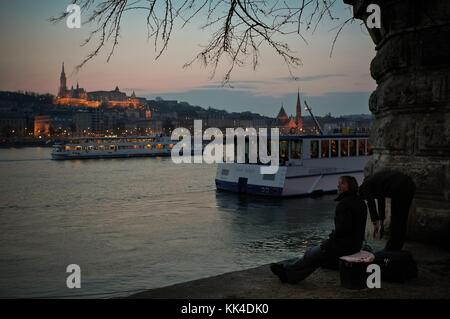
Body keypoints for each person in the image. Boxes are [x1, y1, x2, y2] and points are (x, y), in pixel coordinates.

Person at [270, 176, 368, 284]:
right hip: (355, 244)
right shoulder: (360, 202)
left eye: (342, 183)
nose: (338, 185)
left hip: (344, 246)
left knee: (311, 253)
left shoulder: (344, 204)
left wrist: (329, 241)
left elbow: (342, 229)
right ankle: (289, 274)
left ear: (349, 186)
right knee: (316, 257)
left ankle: (287, 272)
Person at [359, 170, 416, 251]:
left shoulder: (366, 186)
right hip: (409, 185)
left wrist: (375, 224)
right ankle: (397, 246)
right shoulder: (375, 182)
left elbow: (371, 205)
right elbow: (381, 202)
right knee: (402, 218)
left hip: (399, 188)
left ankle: (392, 248)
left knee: (396, 218)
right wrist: (381, 223)